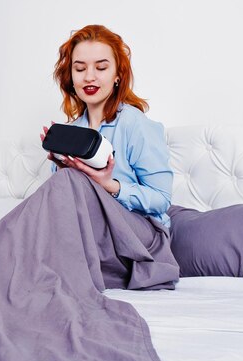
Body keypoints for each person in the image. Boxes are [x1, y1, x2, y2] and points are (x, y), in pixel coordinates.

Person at [41, 24, 173, 227]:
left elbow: (161, 199)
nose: (89, 77)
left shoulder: (133, 123)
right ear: (71, 77)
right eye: (80, 68)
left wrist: (110, 185)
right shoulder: (72, 133)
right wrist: (63, 169)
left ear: (117, 75)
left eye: (101, 68)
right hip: (85, 232)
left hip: (138, 233)